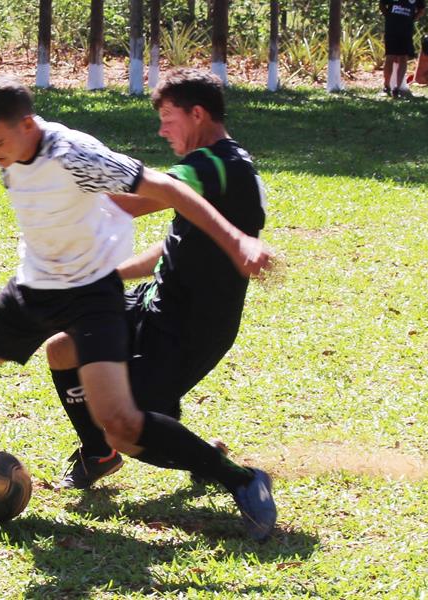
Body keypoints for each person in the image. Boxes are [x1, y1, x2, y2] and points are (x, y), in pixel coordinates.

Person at [0, 75, 275, 538]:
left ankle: (240, 480)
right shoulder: (6, 139)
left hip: (92, 296)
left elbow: (169, 188)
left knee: (121, 422)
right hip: (33, 289)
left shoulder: (74, 154)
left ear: (27, 124)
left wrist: (238, 239)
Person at [47, 68, 277, 541]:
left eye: (168, 118)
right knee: (63, 348)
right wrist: (114, 273)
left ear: (198, 114)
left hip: (190, 326)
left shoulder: (215, 165)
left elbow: (133, 201)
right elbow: (178, 244)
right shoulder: (217, 167)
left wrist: (57, 182)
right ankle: (99, 454)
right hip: (155, 304)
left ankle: (234, 475)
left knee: (128, 429)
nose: (162, 130)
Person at [380, 0, 426, 97]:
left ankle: (397, 87)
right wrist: (389, 17)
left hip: (406, 31)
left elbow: (421, 10)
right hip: (391, 29)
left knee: (403, 58)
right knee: (390, 57)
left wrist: (412, 19)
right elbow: (382, 5)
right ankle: (386, 86)